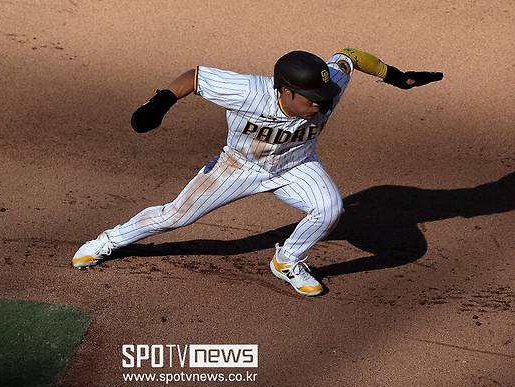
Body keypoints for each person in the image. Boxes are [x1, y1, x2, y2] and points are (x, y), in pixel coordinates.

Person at [71, 48, 443, 296]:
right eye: (312, 100)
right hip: (239, 166)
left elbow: (351, 55)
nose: (321, 106)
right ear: (285, 92)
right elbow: (196, 77)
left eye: (324, 100)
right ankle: (109, 241)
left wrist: (397, 77)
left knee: (330, 207)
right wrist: (160, 102)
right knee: (175, 216)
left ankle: (287, 261)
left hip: (296, 164)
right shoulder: (249, 91)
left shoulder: (329, 83)